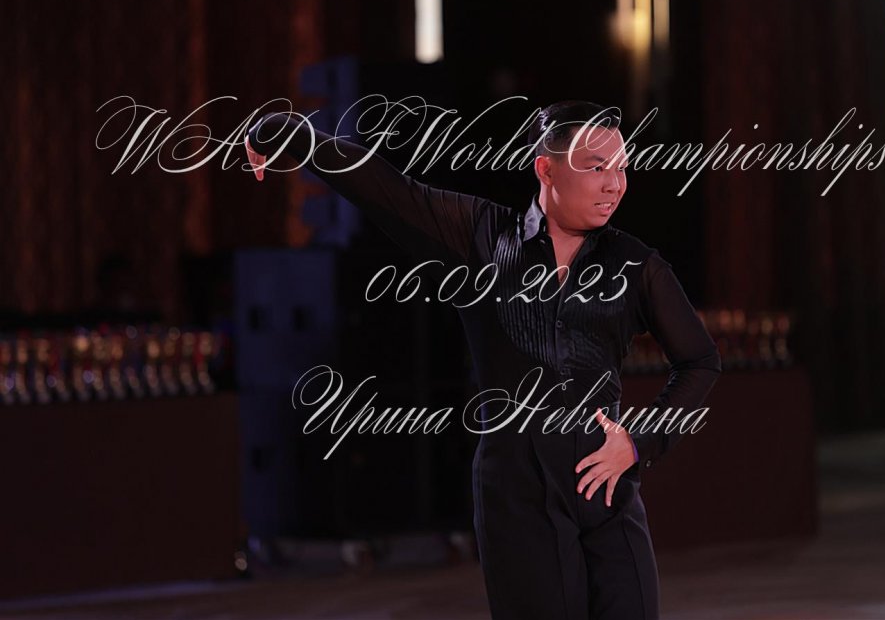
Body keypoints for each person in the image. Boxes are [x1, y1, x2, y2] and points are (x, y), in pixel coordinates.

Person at [245, 100, 721, 619]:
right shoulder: (481, 237)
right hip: (516, 497)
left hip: (607, 491)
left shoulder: (636, 265)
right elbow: (385, 188)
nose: (615, 185)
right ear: (546, 169)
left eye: (622, 168)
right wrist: (283, 131)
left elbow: (699, 360)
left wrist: (639, 441)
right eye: (596, 168)